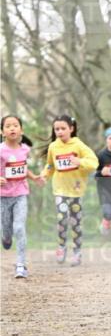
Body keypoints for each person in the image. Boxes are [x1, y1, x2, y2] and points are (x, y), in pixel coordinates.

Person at [39, 114, 98, 266]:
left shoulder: (78, 145)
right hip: (60, 189)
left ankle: (77, 252)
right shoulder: (53, 146)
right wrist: (45, 175)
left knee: (76, 223)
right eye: (56, 129)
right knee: (61, 218)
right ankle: (61, 246)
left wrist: (80, 161)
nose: (59, 132)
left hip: (77, 191)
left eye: (63, 128)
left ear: (71, 129)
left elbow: (94, 162)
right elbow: (51, 165)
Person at [0, 114, 43, 278]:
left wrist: (34, 177)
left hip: (20, 195)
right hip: (3, 197)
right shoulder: (0, 150)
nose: (12, 128)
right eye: (8, 126)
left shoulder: (25, 149)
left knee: (19, 227)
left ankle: (21, 265)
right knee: (6, 232)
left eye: (15, 125)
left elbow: (23, 168)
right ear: (2, 132)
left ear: (21, 130)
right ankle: (5, 238)